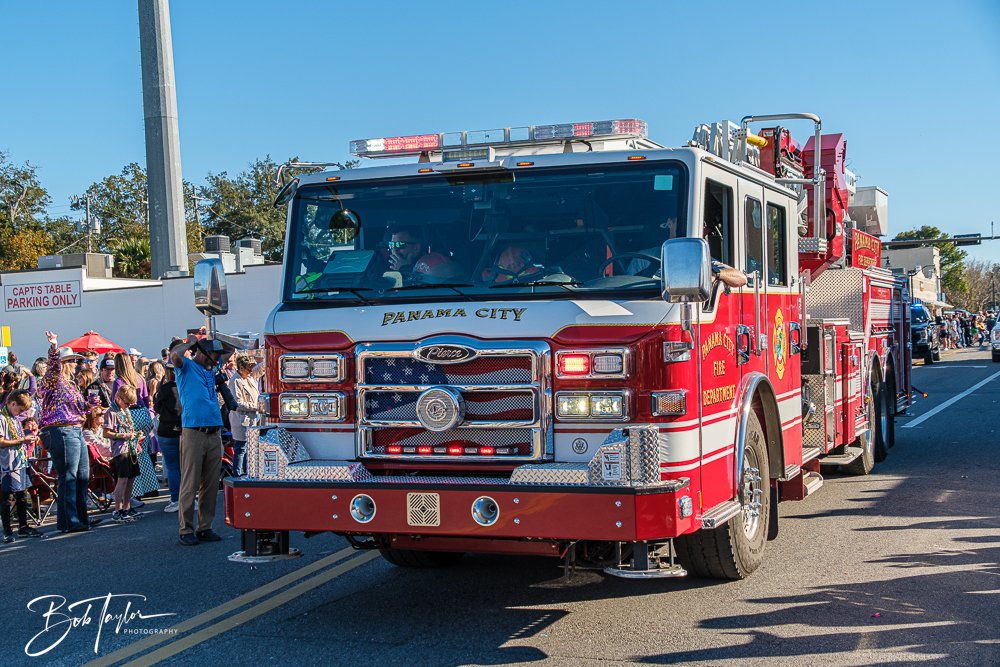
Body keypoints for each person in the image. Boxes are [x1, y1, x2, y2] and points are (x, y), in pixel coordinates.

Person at [171, 336, 232, 546]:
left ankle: (205, 527)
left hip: (214, 432)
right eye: (213, 355)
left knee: (211, 483)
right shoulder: (186, 367)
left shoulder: (210, 369)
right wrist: (191, 342)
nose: (217, 359)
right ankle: (185, 529)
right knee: (191, 482)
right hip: (194, 431)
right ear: (202, 353)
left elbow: (230, 351)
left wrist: (217, 339)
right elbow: (175, 355)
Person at [38, 331, 101, 533]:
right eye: (73, 361)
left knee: (82, 476)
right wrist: (54, 346)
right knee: (69, 477)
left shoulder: (71, 385)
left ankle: (81, 518)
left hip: (74, 429)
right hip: (61, 430)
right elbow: (53, 365)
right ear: (65, 363)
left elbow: (78, 409)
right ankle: (70, 520)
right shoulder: (53, 379)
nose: (77, 364)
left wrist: (90, 406)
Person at [0, 390, 43, 541]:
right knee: (6, 497)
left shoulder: (14, 418)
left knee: (22, 495)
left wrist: (27, 438)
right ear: (12, 404)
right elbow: (1, 441)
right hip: (7, 465)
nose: (21, 413)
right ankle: (7, 531)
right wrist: (22, 440)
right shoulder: (2, 418)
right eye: (19, 409)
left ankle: (23, 526)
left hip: (19, 461)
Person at [104, 385, 142, 523]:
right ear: (119, 399)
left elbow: (129, 427)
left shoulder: (125, 411)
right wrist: (124, 435)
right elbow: (106, 432)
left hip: (130, 448)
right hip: (120, 451)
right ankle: (117, 509)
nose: (128, 406)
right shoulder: (111, 412)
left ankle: (127, 507)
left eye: (130, 404)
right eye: (127, 403)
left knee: (131, 478)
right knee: (122, 479)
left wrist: (135, 435)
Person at [227, 353, 264, 477]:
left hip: (252, 418)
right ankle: (238, 474)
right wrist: (256, 407)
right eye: (248, 369)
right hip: (242, 419)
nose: (250, 371)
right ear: (241, 368)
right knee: (241, 448)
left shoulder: (248, 377)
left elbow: (259, 370)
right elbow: (238, 403)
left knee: (250, 448)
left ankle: (247, 473)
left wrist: (266, 357)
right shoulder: (235, 381)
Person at [153, 362, 182, 513]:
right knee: (185, 467)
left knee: (172, 467)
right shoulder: (185, 388)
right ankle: (188, 497)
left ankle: (176, 499)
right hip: (184, 430)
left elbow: (156, 407)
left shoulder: (163, 389)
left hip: (166, 430)